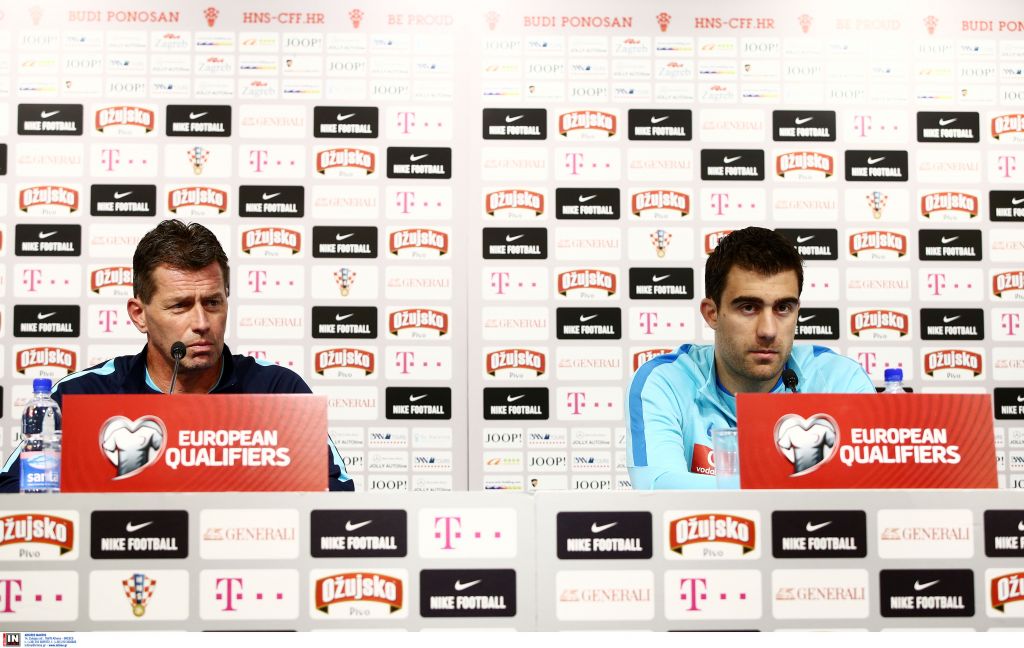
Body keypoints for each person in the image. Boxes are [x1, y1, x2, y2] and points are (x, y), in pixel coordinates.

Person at [1, 220, 353, 492]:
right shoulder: (81, 395)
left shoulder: (277, 391)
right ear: (139, 314)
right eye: (180, 306)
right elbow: (12, 491)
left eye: (212, 303)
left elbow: (336, 492)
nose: (201, 323)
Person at [626, 227, 874, 490]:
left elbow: (871, 487)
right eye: (748, 308)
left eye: (783, 308)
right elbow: (657, 488)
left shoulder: (840, 380)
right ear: (711, 313)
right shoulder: (665, 381)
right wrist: (799, 482)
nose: (768, 330)